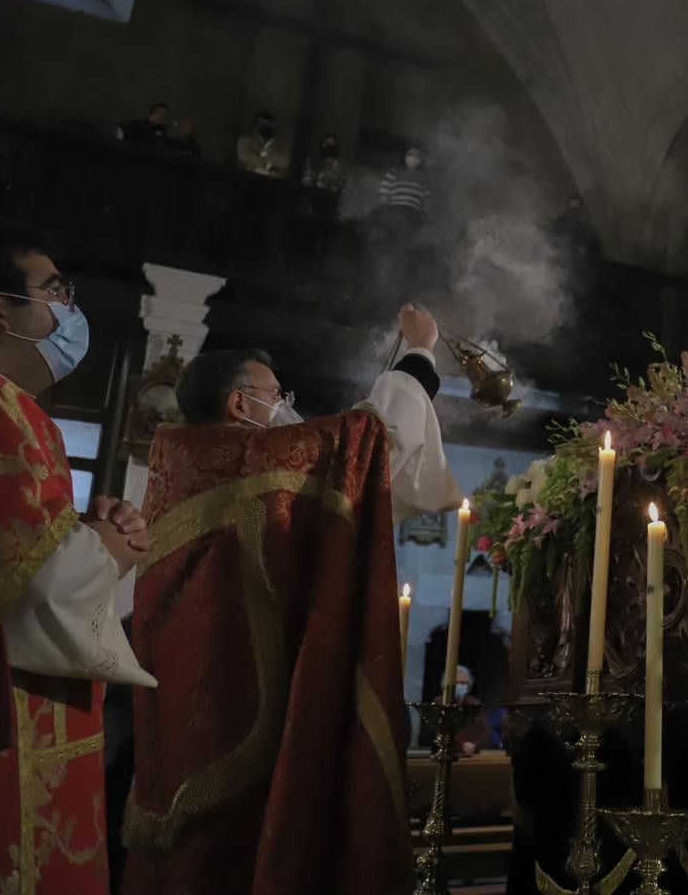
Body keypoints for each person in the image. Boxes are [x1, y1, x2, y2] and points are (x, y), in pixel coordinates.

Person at [122, 304, 463, 895]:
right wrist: (418, 353)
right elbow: (374, 439)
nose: (286, 405)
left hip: (194, 716)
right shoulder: (248, 463)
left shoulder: (182, 468)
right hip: (246, 716)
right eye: (276, 393)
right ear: (238, 405)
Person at [0, 222, 156, 895]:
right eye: (53, 291)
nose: (69, 311)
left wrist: (85, 534)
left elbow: (1, 553)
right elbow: (31, 597)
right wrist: (109, 551)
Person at [116, 102, 200, 157]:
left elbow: (196, 156)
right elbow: (122, 130)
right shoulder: (140, 134)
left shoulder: (170, 142)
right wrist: (147, 120)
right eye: (157, 113)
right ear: (150, 116)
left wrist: (189, 135)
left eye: (165, 115)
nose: (161, 116)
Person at [235, 111, 290, 178]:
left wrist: (257, 155)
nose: (265, 126)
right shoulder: (245, 141)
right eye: (262, 123)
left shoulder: (279, 145)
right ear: (256, 126)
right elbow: (244, 156)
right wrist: (268, 166)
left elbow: (284, 162)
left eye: (268, 124)